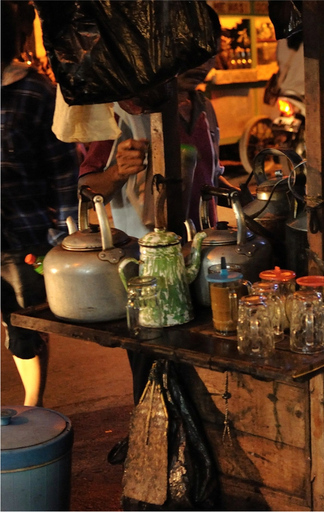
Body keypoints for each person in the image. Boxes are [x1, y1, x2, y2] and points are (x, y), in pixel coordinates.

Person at [79, 61, 223, 413]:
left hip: (201, 253)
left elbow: (211, 177)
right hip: (148, 265)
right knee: (152, 364)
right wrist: (116, 172)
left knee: (200, 359)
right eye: (194, 54)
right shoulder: (123, 113)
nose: (203, 65)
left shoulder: (203, 108)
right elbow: (86, 188)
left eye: (209, 54)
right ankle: (152, 434)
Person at [1, 0, 80, 407]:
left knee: (23, 326)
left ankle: (32, 407)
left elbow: (63, 169)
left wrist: (62, 234)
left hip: (23, 234)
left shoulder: (36, 91)